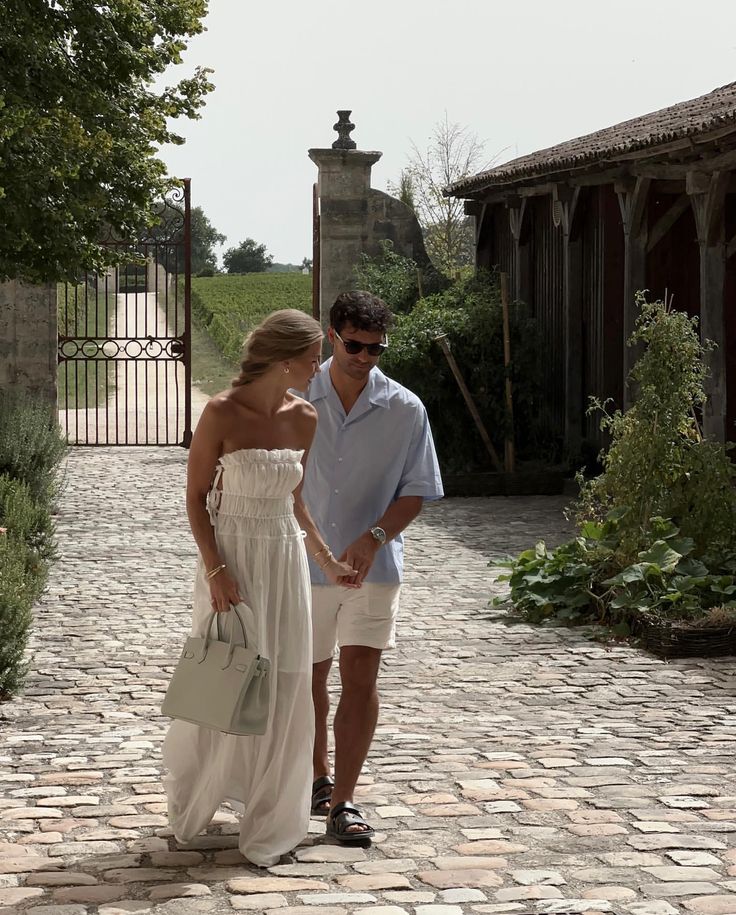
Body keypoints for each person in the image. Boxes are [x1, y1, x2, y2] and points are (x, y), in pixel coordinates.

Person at [162, 309, 355, 868]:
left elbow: (297, 504)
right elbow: (196, 497)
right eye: (316, 354)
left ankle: (271, 817)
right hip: (232, 560)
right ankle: (198, 796)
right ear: (287, 358)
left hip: (285, 559)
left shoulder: (306, 417)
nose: (321, 364)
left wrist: (328, 562)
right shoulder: (221, 412)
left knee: (288, 684)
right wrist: (217, 571)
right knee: (225, 678)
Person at [301, 291, 443, 844]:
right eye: (355, 345)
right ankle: (315, 776)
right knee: (309, 675)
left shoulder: (406, 410)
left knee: (361, 677)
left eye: (376, 349)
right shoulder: (296, 398)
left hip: (372, 569)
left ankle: (344, 803)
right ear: (331, 336)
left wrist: (375, 536)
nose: (364, 357)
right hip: (306, 564)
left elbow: (416, 492)